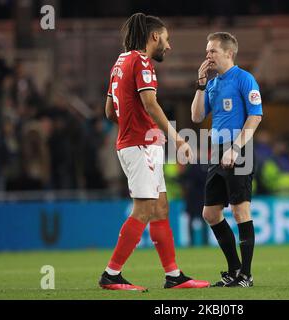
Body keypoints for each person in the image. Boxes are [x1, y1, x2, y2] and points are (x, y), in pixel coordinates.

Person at [99, 13, 209, 291]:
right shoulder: (141, 60)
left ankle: (173, 275)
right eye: (167, 39)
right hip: (141, 145)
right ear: (154, 37)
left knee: (160, 208)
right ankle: (111, 274)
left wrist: (133, 125)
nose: (168, 46)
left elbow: (110, 111)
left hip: (136, 142)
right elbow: (150, 103)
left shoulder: (120, 61)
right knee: (145, 208)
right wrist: (177, 139)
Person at [191, 32, 263, 287]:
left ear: (229, 53)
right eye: (207, 51)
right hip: (216, 151)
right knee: (210, 213)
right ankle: (234, 270)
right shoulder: (212, 84)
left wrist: (236, 147)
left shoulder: (245, 79)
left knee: (240, 209)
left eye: (212, 51)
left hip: (239, 148)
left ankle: (246, 274)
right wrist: (200, 85)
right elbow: (197, 117)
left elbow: (255, 116)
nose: (208, 55)